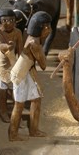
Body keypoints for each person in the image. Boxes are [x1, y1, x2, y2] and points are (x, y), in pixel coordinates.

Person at [9, 11, 51, 140]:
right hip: (20, 75)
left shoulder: (33, 38)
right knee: (19, 105)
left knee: (36, 100)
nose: (49, 29)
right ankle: (13, 134)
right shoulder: (34, 43)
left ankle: (34, 130)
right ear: (40, 27)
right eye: (47, 26)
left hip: (28, 72)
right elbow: (44, 65)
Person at [0, 8, 23, 122]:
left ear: (15, 21)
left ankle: (16, 112)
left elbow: (20, 50)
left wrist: (22, 64)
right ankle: (3, 112)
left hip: (15, 64)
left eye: (11, 20)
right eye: (5, 20)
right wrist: (4, 46)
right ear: (0, 21)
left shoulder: (18, 32)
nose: (8, 23)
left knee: (16, 90)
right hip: (3, 65)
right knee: (3, 90)